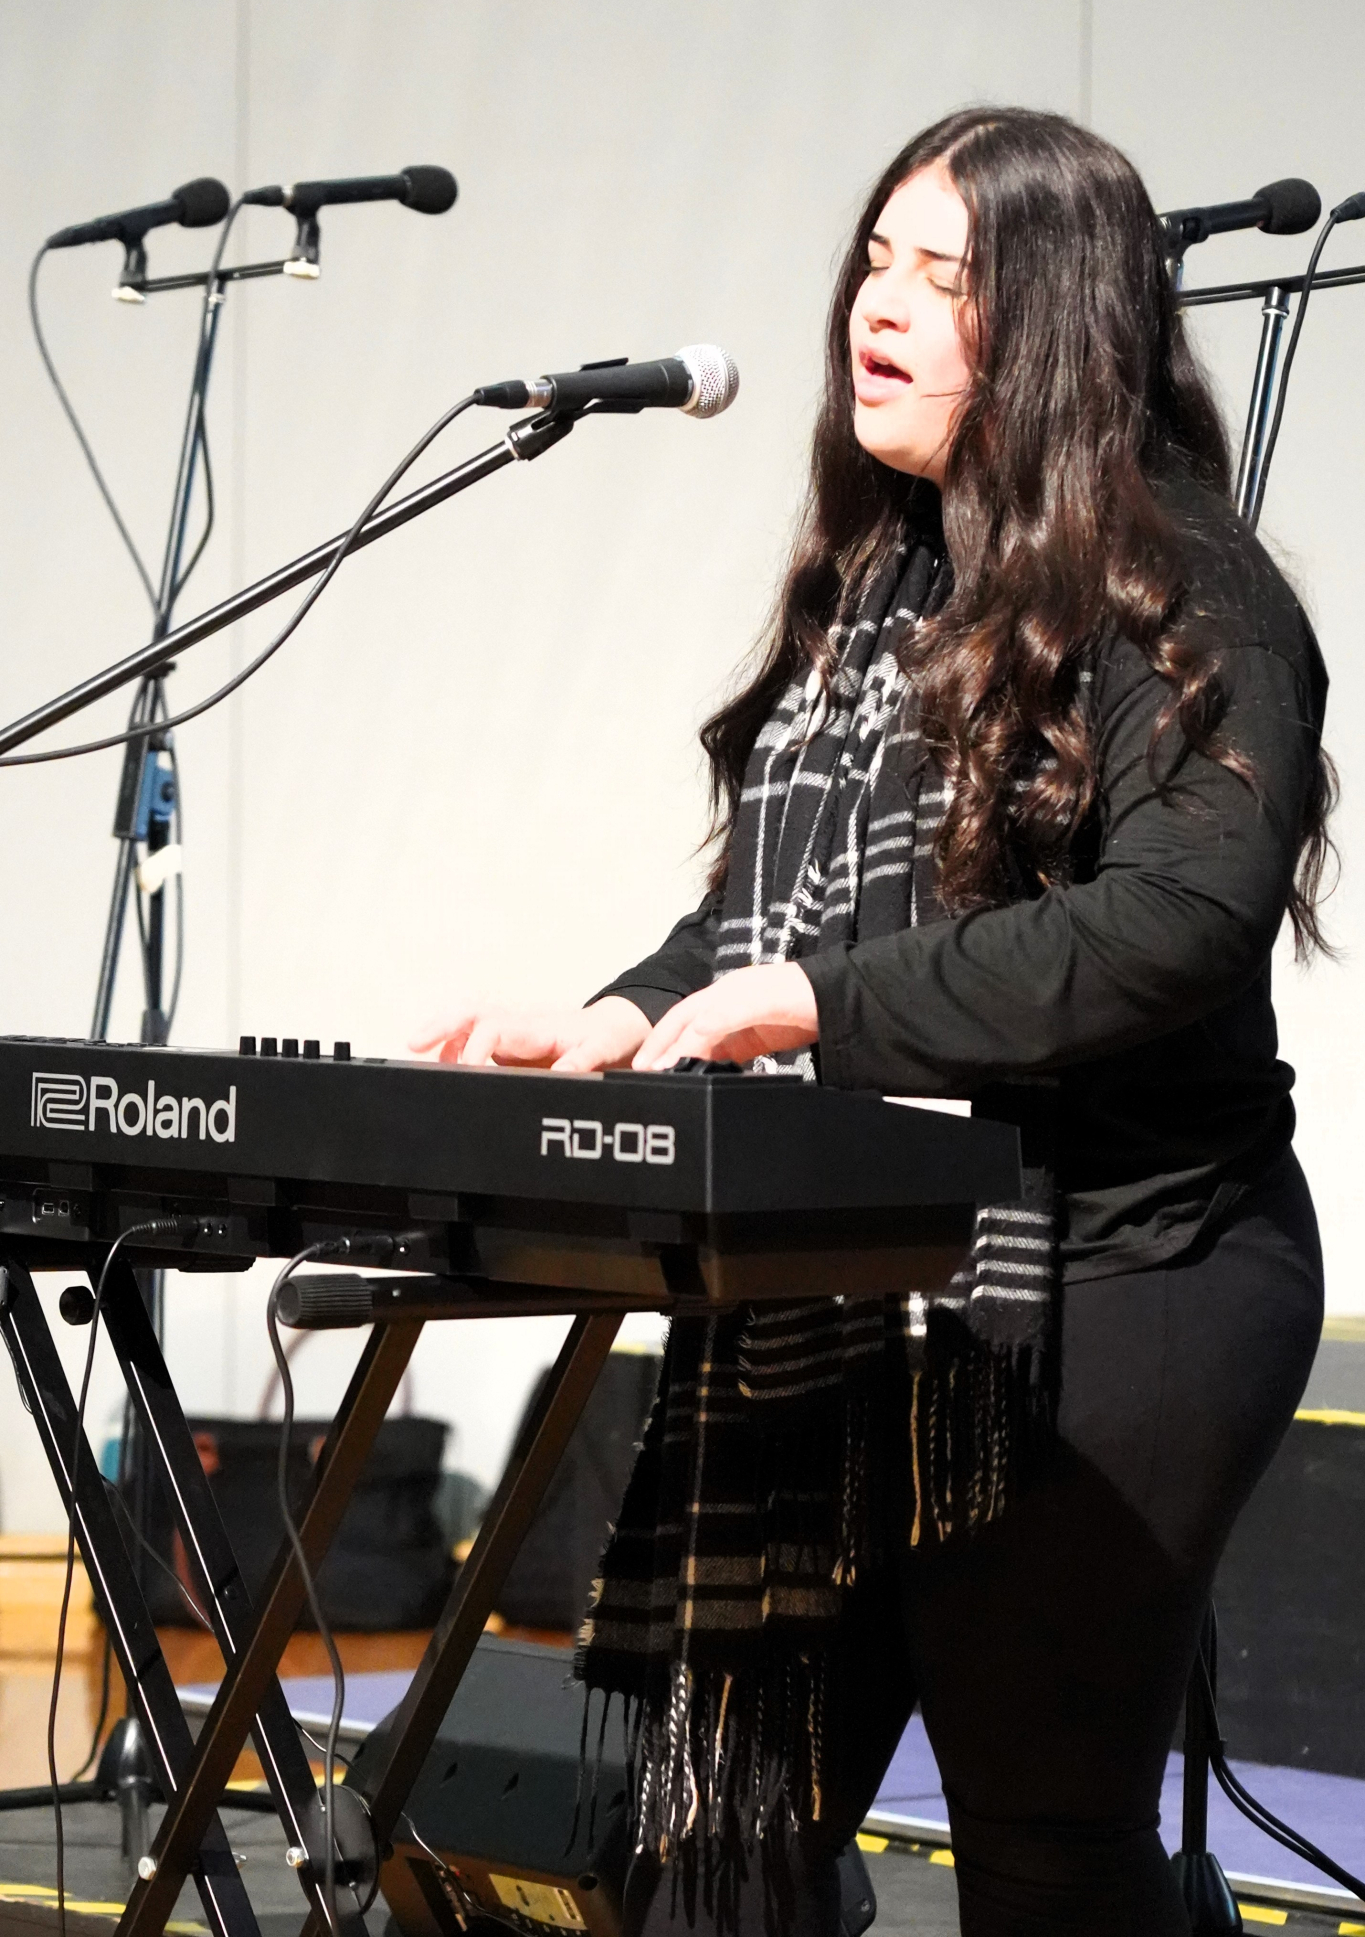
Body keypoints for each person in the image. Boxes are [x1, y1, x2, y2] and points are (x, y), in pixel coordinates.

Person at [415, 108, 1333, 1937]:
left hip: (1121, 1278)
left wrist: (809, 1011)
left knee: (1045, 1847)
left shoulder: (1193, 588)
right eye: (873, 261)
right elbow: (759, 925)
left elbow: (1175, 922)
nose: (876, 307)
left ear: (1058, 323)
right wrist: (622, 1019)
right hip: (852, 1294)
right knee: (721, 1841)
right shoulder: (877, 590)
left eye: (944, 276)